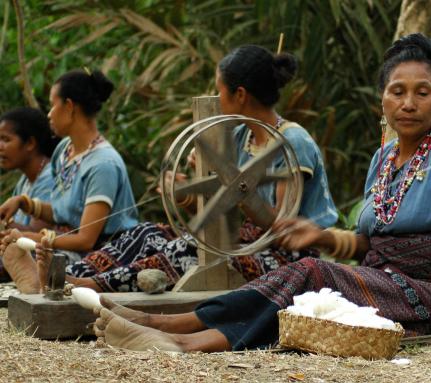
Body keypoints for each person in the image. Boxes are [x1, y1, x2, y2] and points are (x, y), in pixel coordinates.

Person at [89, 33, 431, 352]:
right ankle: (171, 323)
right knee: (305, 271)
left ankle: (187, 337)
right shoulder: (382, 161)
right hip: (383, 280)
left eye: (423, 92)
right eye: (398, 91)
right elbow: (363, 243)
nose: (409, 102)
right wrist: (318, 235)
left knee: (312, 275)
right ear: (383, 98)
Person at [1, 45, 338, 293]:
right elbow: (217, 207)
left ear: (239, 94)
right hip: (236, 238)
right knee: (146, 232)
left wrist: (228, 183)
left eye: (217, 90)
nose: (214, 97)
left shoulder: (293, 142)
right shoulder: (238, 135)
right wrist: (185, 191)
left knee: (185, 250)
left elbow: (280, 229)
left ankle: (81, 286)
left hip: (285, 256)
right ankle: (64, 274)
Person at [0, 69, 138, 293]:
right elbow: (61, 212)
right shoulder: (64, 150)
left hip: (102, 251)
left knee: (42, 255)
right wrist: (24, 202)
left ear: (70, 106)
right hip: (66, 243)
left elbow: (85, 239)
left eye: (53, 105)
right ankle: (39, 279)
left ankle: (39, 282)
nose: (49, 114)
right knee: (25, 249)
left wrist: (31, 237)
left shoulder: (102, 164)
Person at [0, 107, 59, 281]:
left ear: (30, 144)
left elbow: (38, 233)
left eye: (6, 139)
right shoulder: (25, 181)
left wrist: (5, 226)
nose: (0, 147)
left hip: (41, 256)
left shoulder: (49, 177)